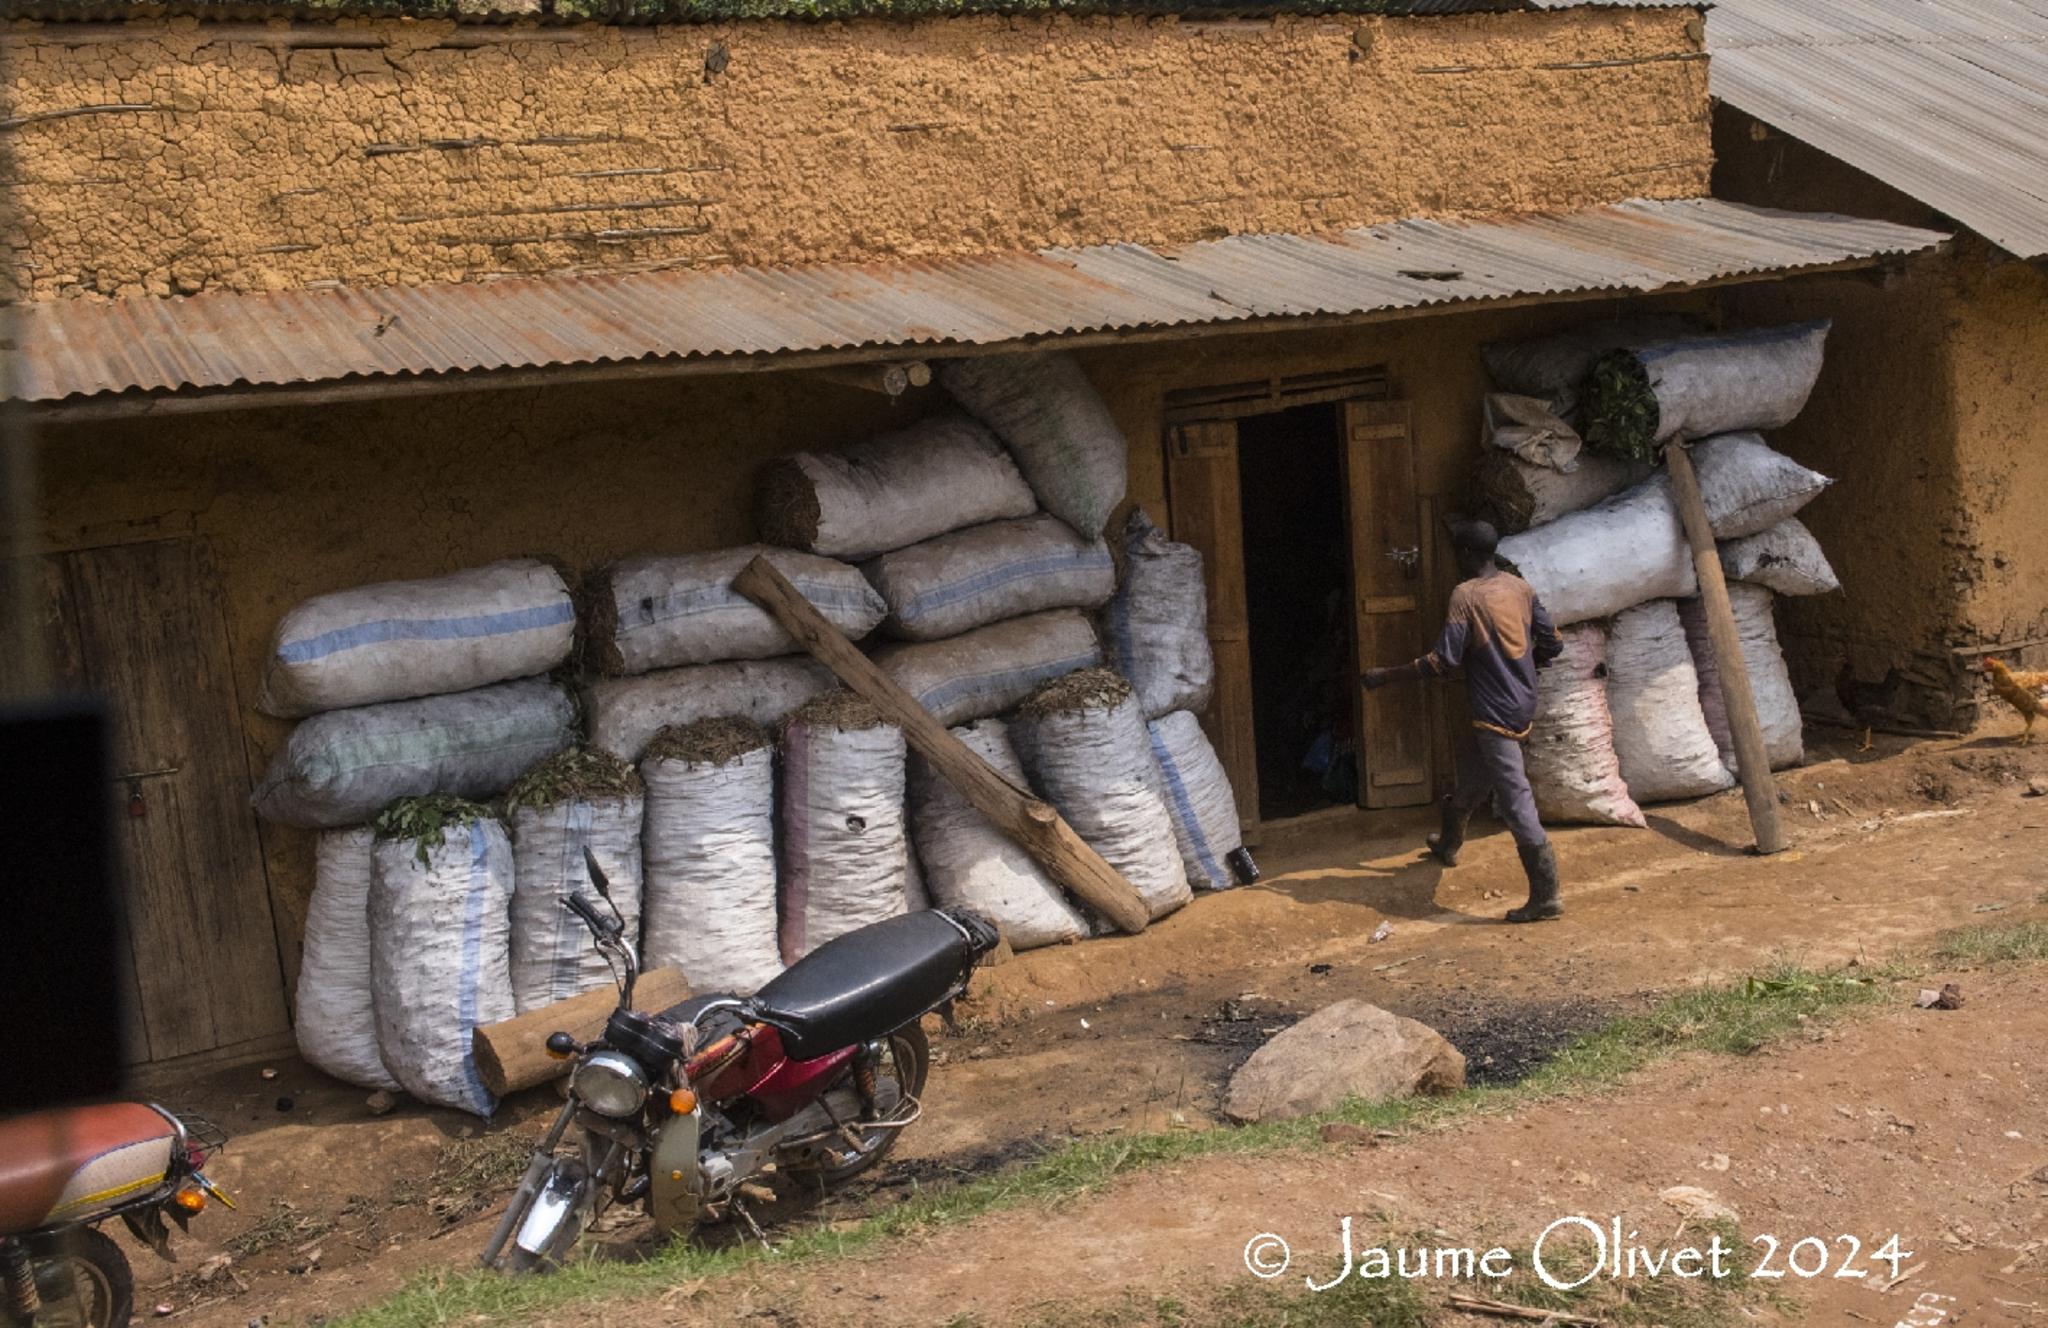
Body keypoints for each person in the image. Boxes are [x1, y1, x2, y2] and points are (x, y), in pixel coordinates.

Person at [1361, 520, 1565, 922]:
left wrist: (1386, 676)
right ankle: (1448, 843)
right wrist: (1523, 668)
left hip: (1494, 712)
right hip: (1523, 704)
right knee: (1476, 775)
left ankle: (1546, 895)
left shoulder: (1465, 596)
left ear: (1468, 555)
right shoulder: (1519, 588)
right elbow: (1553, 642)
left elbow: (1442, 661)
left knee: (1515, 797)